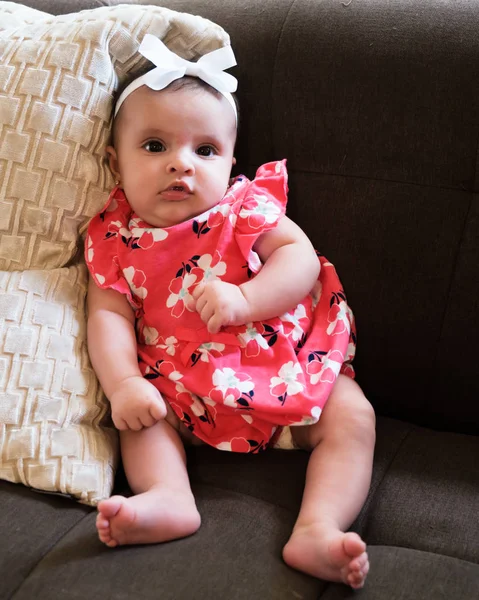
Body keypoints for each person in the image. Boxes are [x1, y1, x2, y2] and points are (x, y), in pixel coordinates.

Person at [85, 35, 376, 589]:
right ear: (113, 160)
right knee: (143, 421)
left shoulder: (243, 207)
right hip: (181, 389)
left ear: (230, 161)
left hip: (286, 374)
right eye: (154, 146)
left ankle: (318, 526)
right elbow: (108, 316)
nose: (181, 165)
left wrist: (246, 298)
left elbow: (301, 261)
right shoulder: (113, 236)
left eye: (205, 151)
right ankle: (168, 496)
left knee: (353, 416)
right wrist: (123, 383)